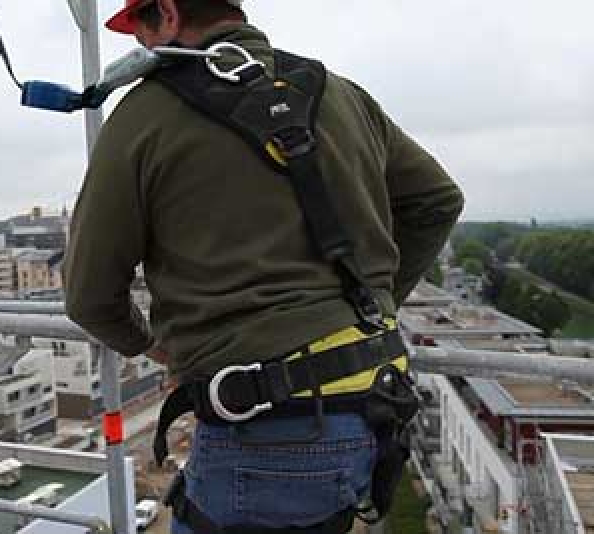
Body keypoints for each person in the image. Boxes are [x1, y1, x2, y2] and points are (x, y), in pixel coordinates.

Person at [63, 0, 464, 532]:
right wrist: (372, 305)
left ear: (168, 13)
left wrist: (152, 346)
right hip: (374, 402)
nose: (140, 47)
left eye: (140, 28)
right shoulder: (338, 93)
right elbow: (437, 200)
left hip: (265, 429)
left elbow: (90, 296)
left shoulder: (146, 112)